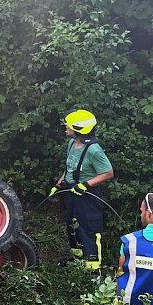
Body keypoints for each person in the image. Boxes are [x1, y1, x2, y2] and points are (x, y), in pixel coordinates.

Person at [54, 109, 114, 270]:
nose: (66, 126)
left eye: (69, 124)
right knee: (72, 225)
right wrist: (60, 182)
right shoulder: (71, 143)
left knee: (89, 228)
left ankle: (93, 267)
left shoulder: (94, 150)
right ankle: (78, 261)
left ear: (79, 128)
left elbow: (108, 173)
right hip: (72, 192)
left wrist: (86, 184)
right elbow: (70, 166)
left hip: (87, 194)